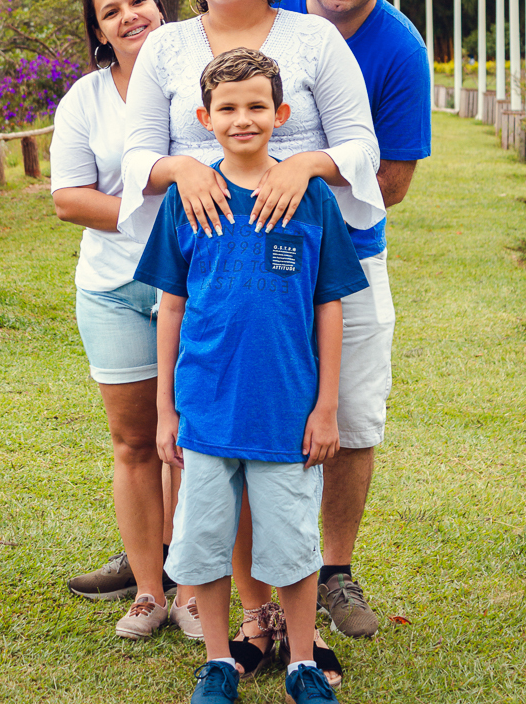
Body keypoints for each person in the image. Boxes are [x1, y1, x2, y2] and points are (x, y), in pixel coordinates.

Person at [116, 0, 385, 669]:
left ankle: (304, 611)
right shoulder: (167, 48)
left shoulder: (314, 38)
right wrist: (179, 167)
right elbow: (139, 154)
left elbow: (360, 140)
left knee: (306, 432)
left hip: (307, 268)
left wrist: (306, 164)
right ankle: (255, 616)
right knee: (225, 434)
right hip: (215, 275)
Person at [133, 48, 368, 704]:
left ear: (280, 113)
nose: (243, 118)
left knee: (291, 543)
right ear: (205, 117)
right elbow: (171, 308)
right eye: (228, 108)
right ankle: (217, 662)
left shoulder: (309, 201)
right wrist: (165, 411)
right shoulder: (187, 200)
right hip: (206, 408)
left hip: (286, 412)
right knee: (204, 539)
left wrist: (324, 408)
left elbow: (328, 304)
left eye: (256, 106)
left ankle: (299, 662)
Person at [277, 0, 432, 636]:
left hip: (349, 257)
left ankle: (333, 570)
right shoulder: (259, 11)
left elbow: (393, 184)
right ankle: (184, 557)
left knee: (353, 419)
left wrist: (296, 176)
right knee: (227, 405)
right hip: (245, 258)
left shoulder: (397, 47)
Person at [50, 0, 202, 642]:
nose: (128, 15)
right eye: (110, 12)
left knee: (194, 443)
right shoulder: (85, 99)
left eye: (136, 0)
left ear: (159, 8)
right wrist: (153, 216)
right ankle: (147, 590)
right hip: (114, 289)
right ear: (100, 33)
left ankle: (196, 590)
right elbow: (68, 197)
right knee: (135, 443)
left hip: (198, 287)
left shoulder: (200, 80)